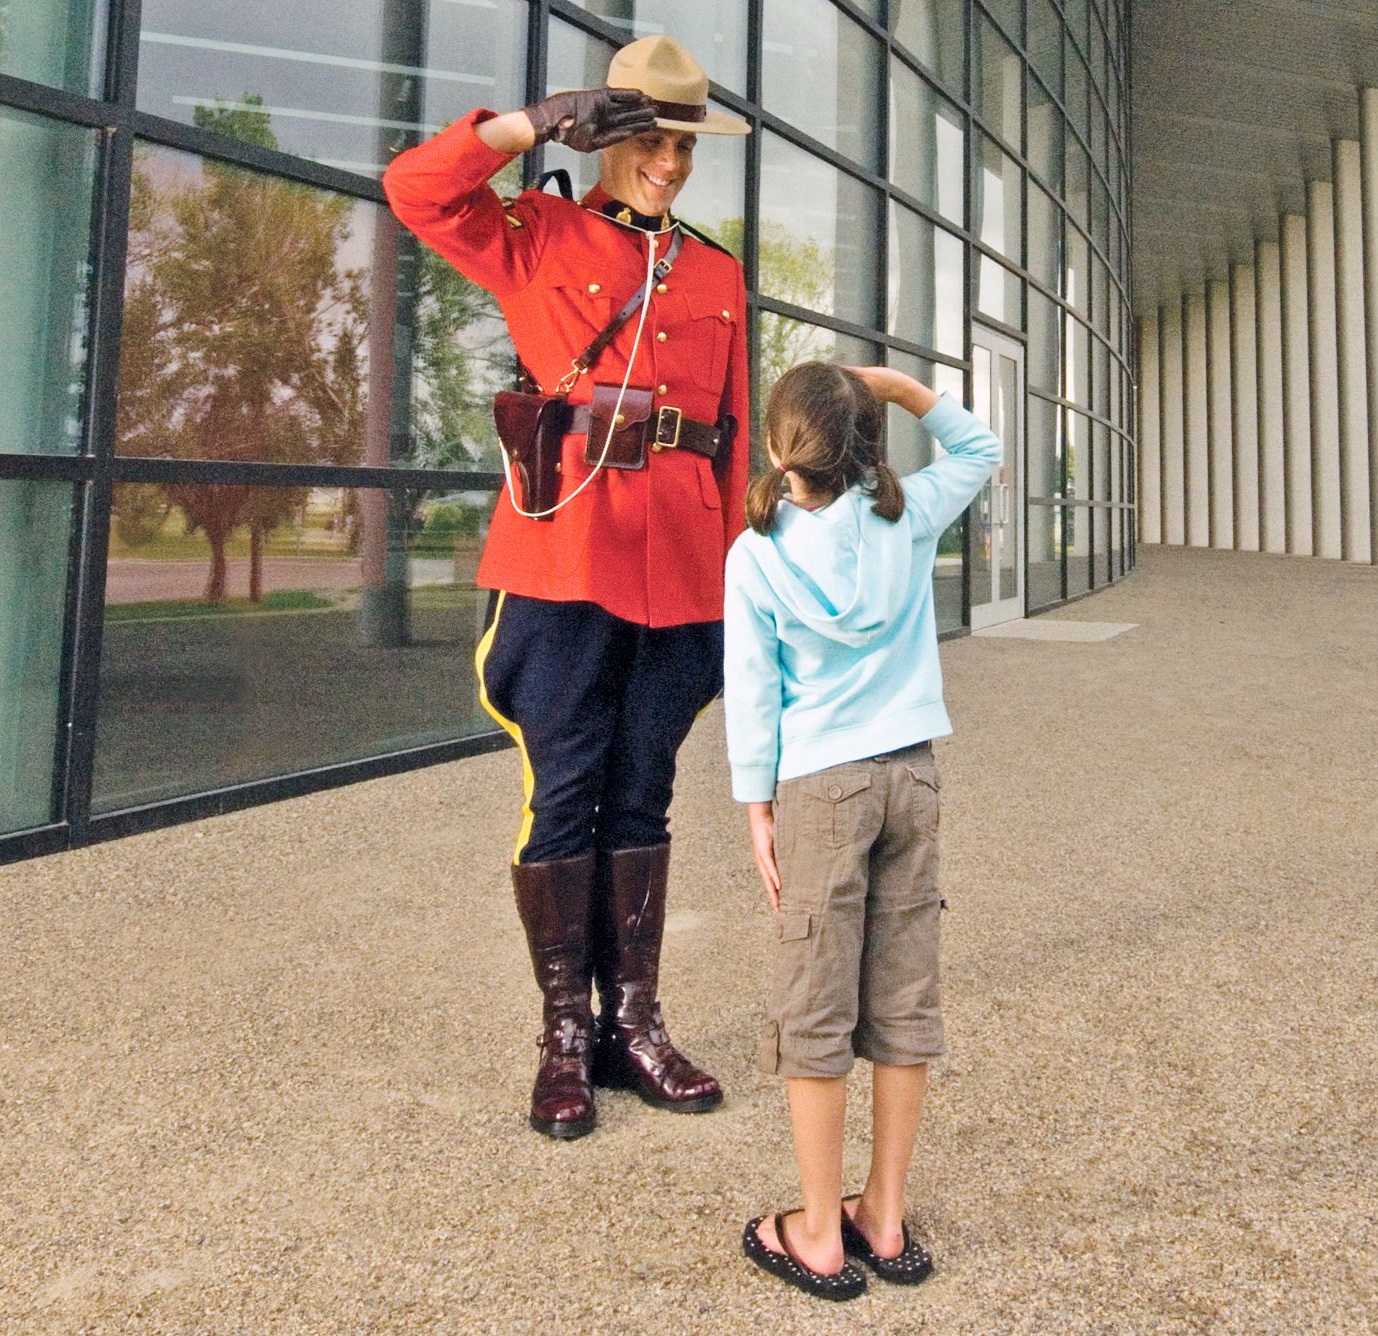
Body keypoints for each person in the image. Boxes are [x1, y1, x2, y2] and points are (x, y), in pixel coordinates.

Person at [381, 35, 748, 1139]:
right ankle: (562, 1035)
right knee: (564, 791)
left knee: (645, 790)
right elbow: (414, 189)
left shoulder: (719, 272)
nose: (670, 163)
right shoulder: (535, 233)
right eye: (647, 138)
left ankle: (632, 1023)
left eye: (682, 141)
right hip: (566, 547)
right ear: (603, 135)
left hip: (681, 563)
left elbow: (729, 440)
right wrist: (526, 125)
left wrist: (739, 576)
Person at [722, 362, 1002, 1299]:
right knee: (903, 994)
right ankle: (882, 1213)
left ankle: (816, 1233)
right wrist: (908, 389)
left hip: (817, 788)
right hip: (911, 776)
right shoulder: (905, 516)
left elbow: (754, 696)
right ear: (868, 447)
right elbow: (981, 448)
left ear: (777, 448)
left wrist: (754, 806)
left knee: (815, 1002)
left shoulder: (756, 553)